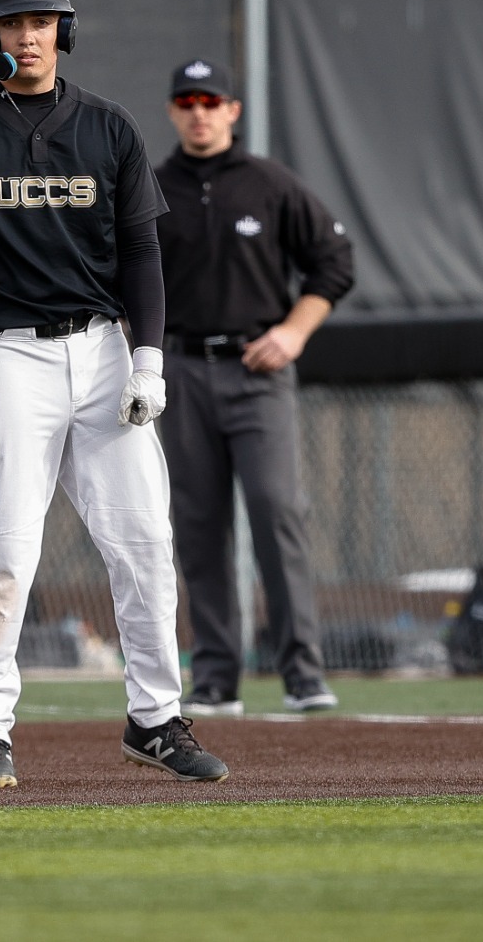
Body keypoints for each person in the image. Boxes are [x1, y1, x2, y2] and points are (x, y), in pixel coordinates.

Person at [0, 0, 229, 788]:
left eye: (43, 21)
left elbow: (144, 251)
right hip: (5, 354)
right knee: (3, 548)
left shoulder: (108, 130)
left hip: (102, 349)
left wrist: (146, 358)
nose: (30, 35)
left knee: (147, 541)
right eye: (13, 23)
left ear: (64, 32)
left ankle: (155, 717)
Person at [153, 58, 354, 715]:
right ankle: (215, 675)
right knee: (199, 522)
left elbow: (334, 260)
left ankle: (302, 671)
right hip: (180, 370)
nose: (199, 111)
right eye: (187, 100)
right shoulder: (153, 189)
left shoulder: (269, 184)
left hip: (256, 372)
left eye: (212, 100)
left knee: (275, 509)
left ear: (233, 110)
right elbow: (122, 278)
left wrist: (295, 331)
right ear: (173, 110)